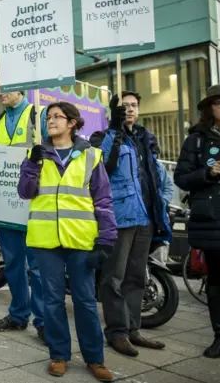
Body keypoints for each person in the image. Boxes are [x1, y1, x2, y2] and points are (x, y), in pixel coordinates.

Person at [18, 101, 116, 382]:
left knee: (85, 301)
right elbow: (25, 192)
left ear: (73, 122)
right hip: (46, 240)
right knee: (52, 301)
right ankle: (59, 355)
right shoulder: (36, 154)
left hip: (80, 240)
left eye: (57, 117)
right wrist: (32, 164)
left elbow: (104, 200)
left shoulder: (92, 156)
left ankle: (95, 359)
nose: (51, 121)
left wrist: (106, 239)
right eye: (48, 117)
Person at [90, 91, 171, 357]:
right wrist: (114, 128)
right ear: (114, 111)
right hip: (120, 216)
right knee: (114, 276)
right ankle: (116, 332)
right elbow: (105, 166)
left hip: (145, 216)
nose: (130, 110)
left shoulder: (145, 139)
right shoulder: (102, 137)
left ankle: (133, 329)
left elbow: (152, 179)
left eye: (134, 105)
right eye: (124, 106)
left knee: (136, 277)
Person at [0, 80, 46, 341]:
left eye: (5, 88)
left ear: (22, 89)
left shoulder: (38, 114)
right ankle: (19, 314)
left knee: (38, 265)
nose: (0, 93)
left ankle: (42, 321)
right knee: (12, 262)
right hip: (7, 201)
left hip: (34, 201)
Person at [173, 84, 220, 358]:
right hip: (213, 219)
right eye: (219, 103)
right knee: (217, 281)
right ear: (210, 108)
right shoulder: (196, 140)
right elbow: (181, 178)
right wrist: (207, 173)